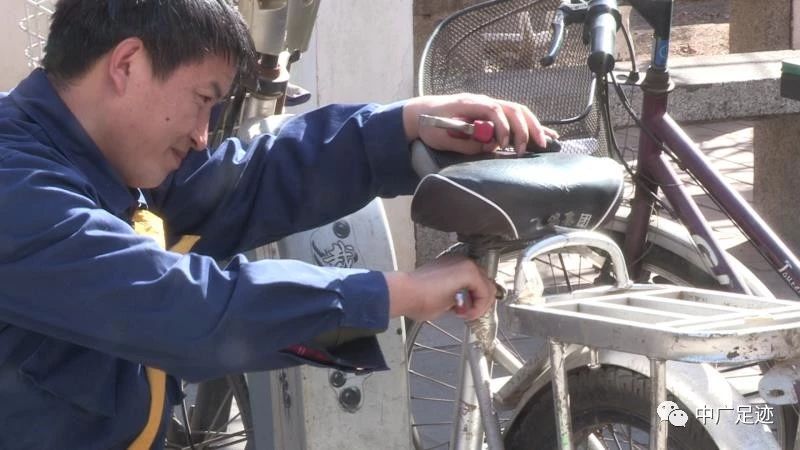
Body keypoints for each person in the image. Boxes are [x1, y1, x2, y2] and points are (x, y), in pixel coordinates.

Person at [0, 0, 555, 448]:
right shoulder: (16, 186)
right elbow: (180, 310)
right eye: (203, 99)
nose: (202, 136)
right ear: (127, 64)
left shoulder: (98, 160)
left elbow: (248, 182)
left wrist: (406, 125)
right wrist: (398, 293)